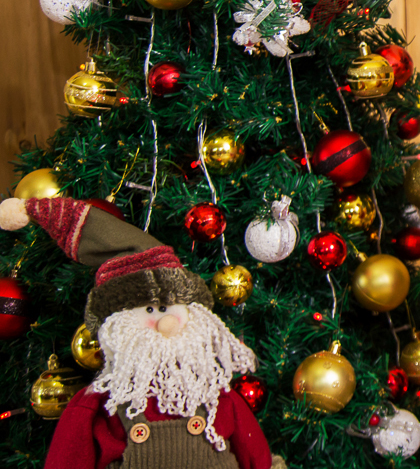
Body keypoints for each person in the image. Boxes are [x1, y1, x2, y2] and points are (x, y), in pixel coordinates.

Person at [0, 196, 276, 469]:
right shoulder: (97, 404)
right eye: (151, 311)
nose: (167, 324)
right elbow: (68, 458)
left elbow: (255, 455)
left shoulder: (216, 395)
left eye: (169, 309)